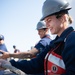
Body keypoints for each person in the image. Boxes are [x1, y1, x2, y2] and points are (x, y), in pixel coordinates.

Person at [0, 0, 75, 75]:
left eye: (49, 20)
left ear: (63, 18)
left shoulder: (72, 39)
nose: (47, 25)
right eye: (45, 21)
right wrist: (10, 63)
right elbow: (36, 63)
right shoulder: (54, 43)